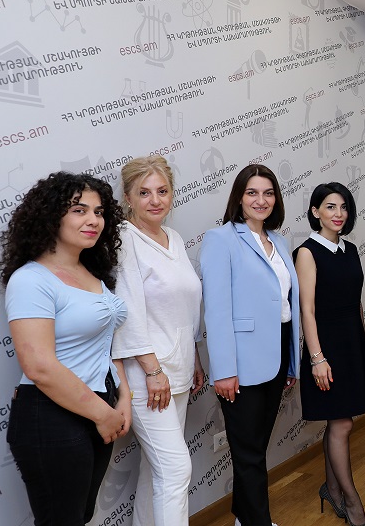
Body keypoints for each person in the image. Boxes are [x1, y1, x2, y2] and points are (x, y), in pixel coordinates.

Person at [1, 172, 131, 525]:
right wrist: (102, 414)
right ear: (51, 216)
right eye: (79, 210)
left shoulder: (93, 273)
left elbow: (104, 344)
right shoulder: (31, 279)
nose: (93, 220)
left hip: (98, 405)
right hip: (52, 415)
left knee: (80, 516)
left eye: (99, 212)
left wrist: (123, 397)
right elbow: (39, 366)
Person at [200, 164, 301, 526]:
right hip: (241, 362)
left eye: (268, 193)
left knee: (255, 446)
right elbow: (217, 311)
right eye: (252, 193)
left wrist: (291, 362)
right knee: (248, 452)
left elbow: (287, 306)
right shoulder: (221, 239)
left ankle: (244, 516)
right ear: (239, 198)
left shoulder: (280, 241)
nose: (261, 200)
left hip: (278, 352)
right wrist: (224, 370)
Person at [111, 156, 205, 526]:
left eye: (162, 191)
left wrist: (194, 357)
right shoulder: (123, 239)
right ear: (128, 198)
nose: (155, 200)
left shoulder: (173, 238)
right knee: (176, 470)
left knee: (157, 473)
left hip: (177, 370)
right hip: (147, 376)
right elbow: (128, 312)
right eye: (144, 193)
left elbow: (184, 308)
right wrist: (152, 371)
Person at [294, 182, 365, 526]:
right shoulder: (307, 252)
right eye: (330, 207)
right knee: (341, 423)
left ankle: (332, 489)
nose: (338, 214)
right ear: (315, 212)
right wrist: (317, 358)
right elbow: (307, 310)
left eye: (343, 207)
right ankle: (352, 503)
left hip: (352, 345)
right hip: (325, 349)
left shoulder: (351, 249)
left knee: (339, 421)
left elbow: (354, 303)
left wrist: (363, 347)